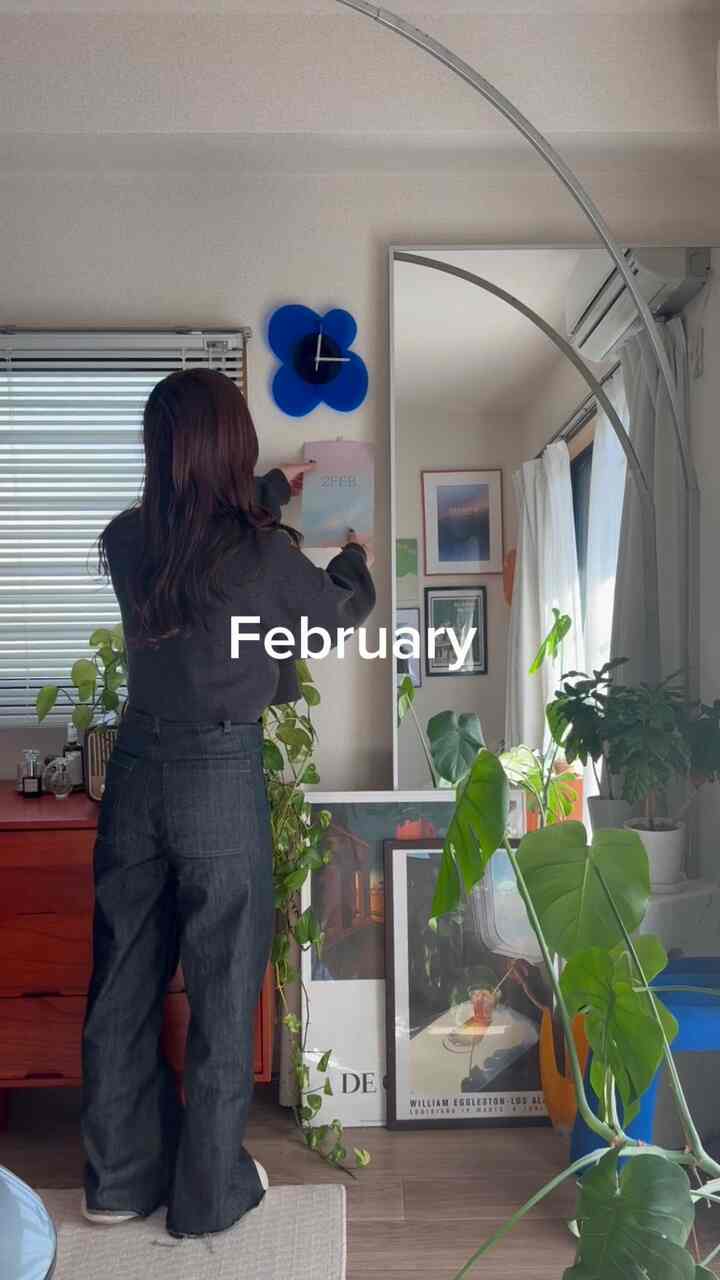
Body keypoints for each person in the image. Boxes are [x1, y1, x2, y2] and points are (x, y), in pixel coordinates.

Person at [81, 368, 375, 1238]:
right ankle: (207, 1194)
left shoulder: (128, 541)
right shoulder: (263, 558)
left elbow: (194, 535)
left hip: (136, 772)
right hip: (216, 775)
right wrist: (354, 555)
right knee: (221, 984)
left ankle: (116, 1184)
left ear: (158, 450)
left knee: (123, 978)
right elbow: (331, 615)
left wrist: (272, 490)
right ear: (228, 449)